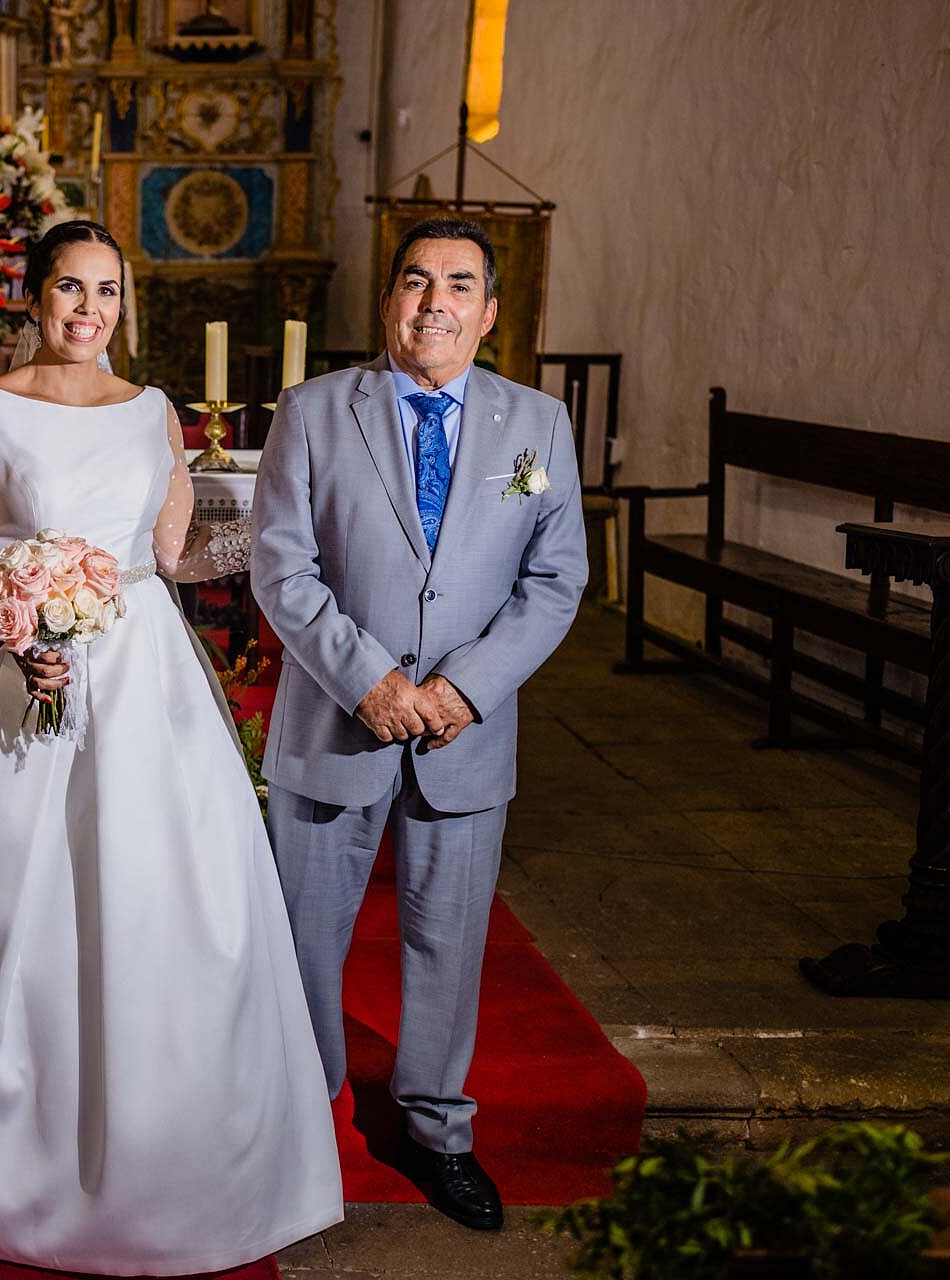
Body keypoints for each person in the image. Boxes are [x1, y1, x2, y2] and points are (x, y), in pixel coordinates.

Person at [0, 219, 344, 1275]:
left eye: (108, 292)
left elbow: (170, 554)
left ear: (127, 302)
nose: (89, 310)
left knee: (157, 896)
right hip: (11, 682)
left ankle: (168, 1150)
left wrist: (272, 521)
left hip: (140, 682)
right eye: (70, 289)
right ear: (35, 298)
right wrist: (11, 620)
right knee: (1, 900)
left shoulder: (154, 411)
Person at [251, 218, 589, 1231]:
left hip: (465, 734)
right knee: (306, 937)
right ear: (388, 300)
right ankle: (301, 1118)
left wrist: (464, 689)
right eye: (413, 279)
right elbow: (281, 563)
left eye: (457, 284)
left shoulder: (537, 425)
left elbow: (556, 576)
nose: (431, 300)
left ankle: (439, 1128)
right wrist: (370, 679)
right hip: (335, 719)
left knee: (449, 938)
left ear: (488, 313)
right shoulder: (315, 411)